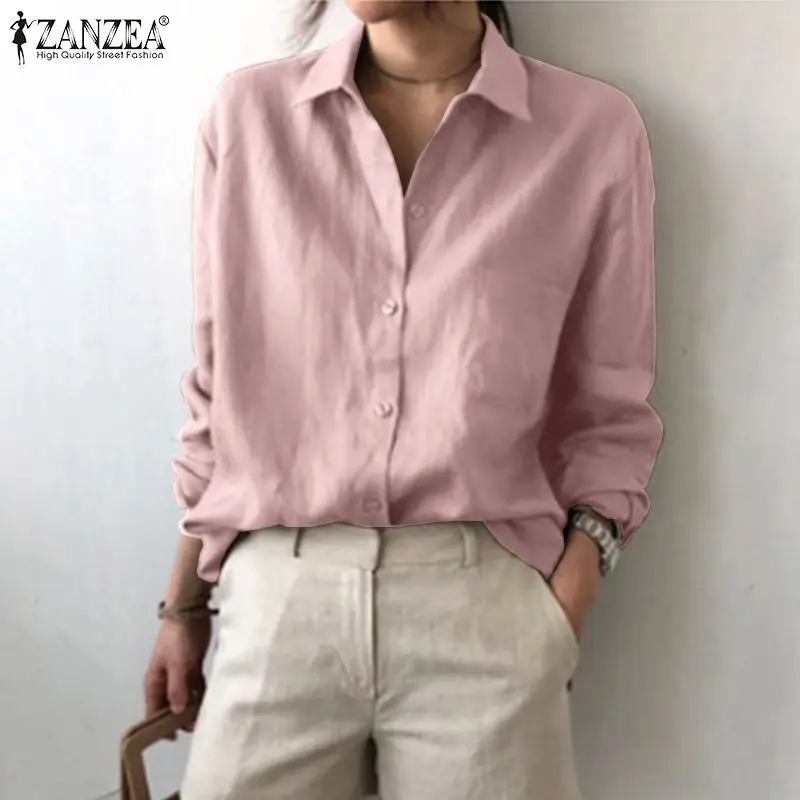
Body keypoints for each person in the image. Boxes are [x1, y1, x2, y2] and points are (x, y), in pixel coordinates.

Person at [143, 2, 663, 798]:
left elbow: (607, 397)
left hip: (486, 613)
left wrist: (578, 578)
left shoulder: (590, 132)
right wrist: (184, 605)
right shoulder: (250, 118)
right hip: (279, 601)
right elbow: (223, 394)